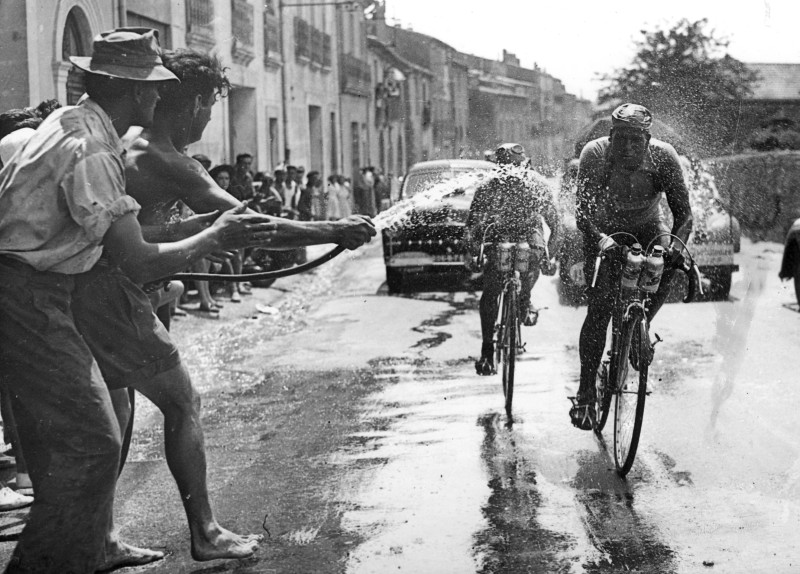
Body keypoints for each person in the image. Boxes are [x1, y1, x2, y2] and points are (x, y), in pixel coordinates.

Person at [0, 28, 276, 573]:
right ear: (132, 91)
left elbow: (126, 236)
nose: (158, 98)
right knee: (92, 444)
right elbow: (141, 261)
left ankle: (84, 548)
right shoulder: (94, 151)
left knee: (95, 435)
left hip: (39, 290)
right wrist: (214, 238)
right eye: (152, 88)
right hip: (26, 295)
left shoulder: (69, 122)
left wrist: (200, 229)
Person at [90, 46, 373, 564]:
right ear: (195, 103)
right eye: (211, 106)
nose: (209, 118)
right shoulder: (165, 157)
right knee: (181, 404)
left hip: (104, 292)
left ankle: (102, 536)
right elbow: (250, 226)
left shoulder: (131, 144)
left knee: (121, 414)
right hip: (117, 296)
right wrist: (334, 228)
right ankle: (206, 533)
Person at [568, 103, 693, 430]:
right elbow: (582, 215)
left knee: (667, 262)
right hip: (604, 230)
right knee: (599, 309)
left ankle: (642, 326)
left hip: (650, 224)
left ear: (648, 139)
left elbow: (684, 215)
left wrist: (678, 248)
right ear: (610, 136)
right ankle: (585, 392)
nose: (627, 147)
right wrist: (603, 242)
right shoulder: (595, 154)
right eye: (620, 139)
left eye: (635, 140)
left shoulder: (664, 157)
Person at [466, 143, 561, 376]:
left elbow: (555, 225)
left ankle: (525, 298)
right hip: (497, 233)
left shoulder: (537, 184)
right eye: (505, 170)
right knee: (491, 289)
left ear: (525, 165)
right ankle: (487, 350)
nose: (510, 175)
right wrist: (474, 252)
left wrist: (551, 256)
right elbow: (472, 226)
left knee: (535, 257)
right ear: (498, 169)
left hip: (529, 231)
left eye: (515, 169)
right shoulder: (488, 187)